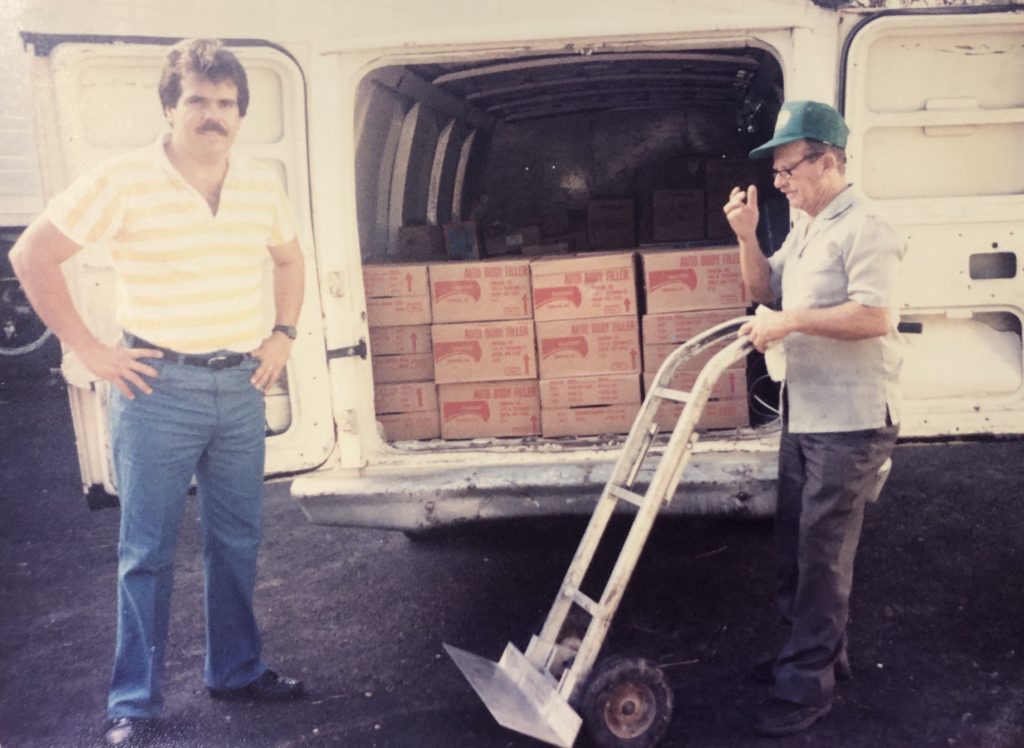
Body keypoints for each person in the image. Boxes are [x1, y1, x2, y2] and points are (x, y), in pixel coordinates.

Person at [10, 38, 306, 746]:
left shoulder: (262, 182)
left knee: (236, 540)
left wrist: (283, 334)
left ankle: (236, 670)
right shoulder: (123, 179)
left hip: (239, 385)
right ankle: (135, 705)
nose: (214, 115)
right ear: (170, 108)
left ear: (239, 114)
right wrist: (88, 348)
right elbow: (32, 252)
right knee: (145, 551)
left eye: (226, 103)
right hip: (157, 390)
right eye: (198, 100)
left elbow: (289, 257)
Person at [722, 100, 905, 737]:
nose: (780, 183)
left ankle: (806, 686)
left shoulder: (868, 226)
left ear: (828, 161)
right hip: (808, 407)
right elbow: (763, 293)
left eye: (787, 170)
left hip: (851, 418)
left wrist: (791, 324)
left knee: (822, 553)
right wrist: (747, 235)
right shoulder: (807, 224)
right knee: (795, 548)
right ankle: (814, 656)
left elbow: (874, 317)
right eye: (775, 173)